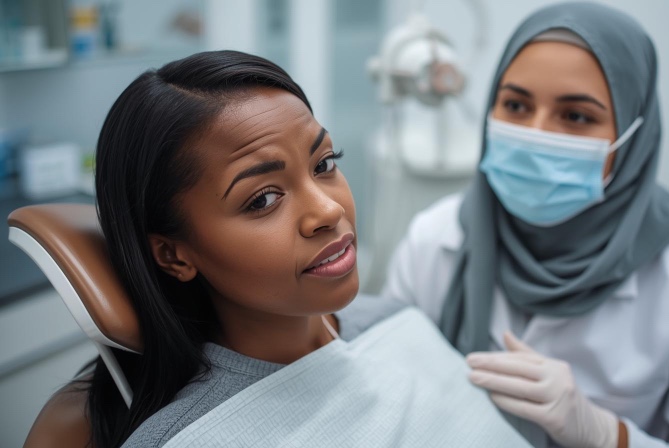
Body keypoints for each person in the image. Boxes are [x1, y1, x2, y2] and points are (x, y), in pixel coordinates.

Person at [83, 50, 531, 448]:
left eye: (324, 164)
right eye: (262, 199)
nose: (329, 210)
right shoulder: (188, 435)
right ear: (173, 255)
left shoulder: (399, 324)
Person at [381, 2, 669, 447]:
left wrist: (608, 435)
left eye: (576, 116)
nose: (537, 134)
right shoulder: (433, 240)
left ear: (633, 136)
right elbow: (392, 395)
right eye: (515, 104)